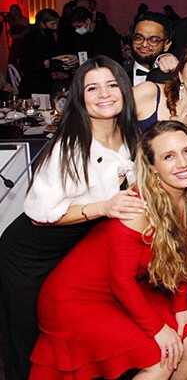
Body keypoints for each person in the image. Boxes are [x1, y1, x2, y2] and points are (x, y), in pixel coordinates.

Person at [29, 120, 187, 380]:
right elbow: (121, 281)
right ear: (152, 167)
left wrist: (180, 306)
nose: (183, 163)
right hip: (77, 299)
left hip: (127, 289)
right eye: (168, 156)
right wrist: (157, 329)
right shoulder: (137, 208)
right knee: (162, 356)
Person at [0, 56, 142, 380]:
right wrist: (104, 207)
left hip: (75, 252)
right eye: (92, 88)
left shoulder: (129, 137)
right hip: (30, 255)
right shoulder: (70, 146)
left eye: (111, 85)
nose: (104, 94)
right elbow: (40, 215)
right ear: (80, 97)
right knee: (29, 340)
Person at [17, 8, 60, 96]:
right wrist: (44, 63)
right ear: (42, 23)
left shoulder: (48, 35)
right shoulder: (31, 38)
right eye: (52, 24)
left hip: (45, 79)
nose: (55, 27)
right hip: (34, 83)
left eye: (57, 24)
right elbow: (25, 63)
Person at [127, 11, 173, 86]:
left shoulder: (175, 77)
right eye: (139, 38)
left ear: (166, 45)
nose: (144, 44)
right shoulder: (117, 74)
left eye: (153, 40)